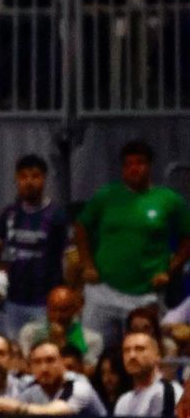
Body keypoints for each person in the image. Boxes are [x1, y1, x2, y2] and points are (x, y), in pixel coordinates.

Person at [75, 141, 190, 349]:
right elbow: (81, 226)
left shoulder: (168, 199)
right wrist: (87, 264)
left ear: (150, 166)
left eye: (139, 163)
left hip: (146, 295)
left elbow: (187, 237)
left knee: (144, 351)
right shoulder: (106, 195)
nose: (134, 168)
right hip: (103, 292)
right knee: (91, 350)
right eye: (128, 164)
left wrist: (172, 269)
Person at [0, 154, 69, 339]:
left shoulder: (56, 216)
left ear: (44, 179)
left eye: (35, 176)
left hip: (44, 301)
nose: (29, 182)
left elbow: (69, 258)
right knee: (13, 349)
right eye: (24, 176)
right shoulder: (9, 214)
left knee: (42, 349)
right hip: (13, 299)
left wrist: (68, 292)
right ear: (16, 179)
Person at [0, 340, 107, 416]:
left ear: (62, 364)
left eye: (50, 360)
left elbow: (52, 413)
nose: (44, 368)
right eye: (37, 362)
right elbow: (12, 411)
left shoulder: (78, 385)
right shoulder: (32, 390)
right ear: (30, 368)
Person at [18, 285, 102, 368]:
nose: (57, 316)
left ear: (75, 310)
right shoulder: (30, 332)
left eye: (63, 310)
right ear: (47, 309)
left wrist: (61, 344)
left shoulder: (91, 339)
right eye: (53, 310)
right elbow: (24, 366)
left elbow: (89, 372)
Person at [114, 331, 178, 417]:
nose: (132, 355)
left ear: (157, 356)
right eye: (126, 350)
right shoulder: (123, 400)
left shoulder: (169, 391)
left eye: (140, 349)